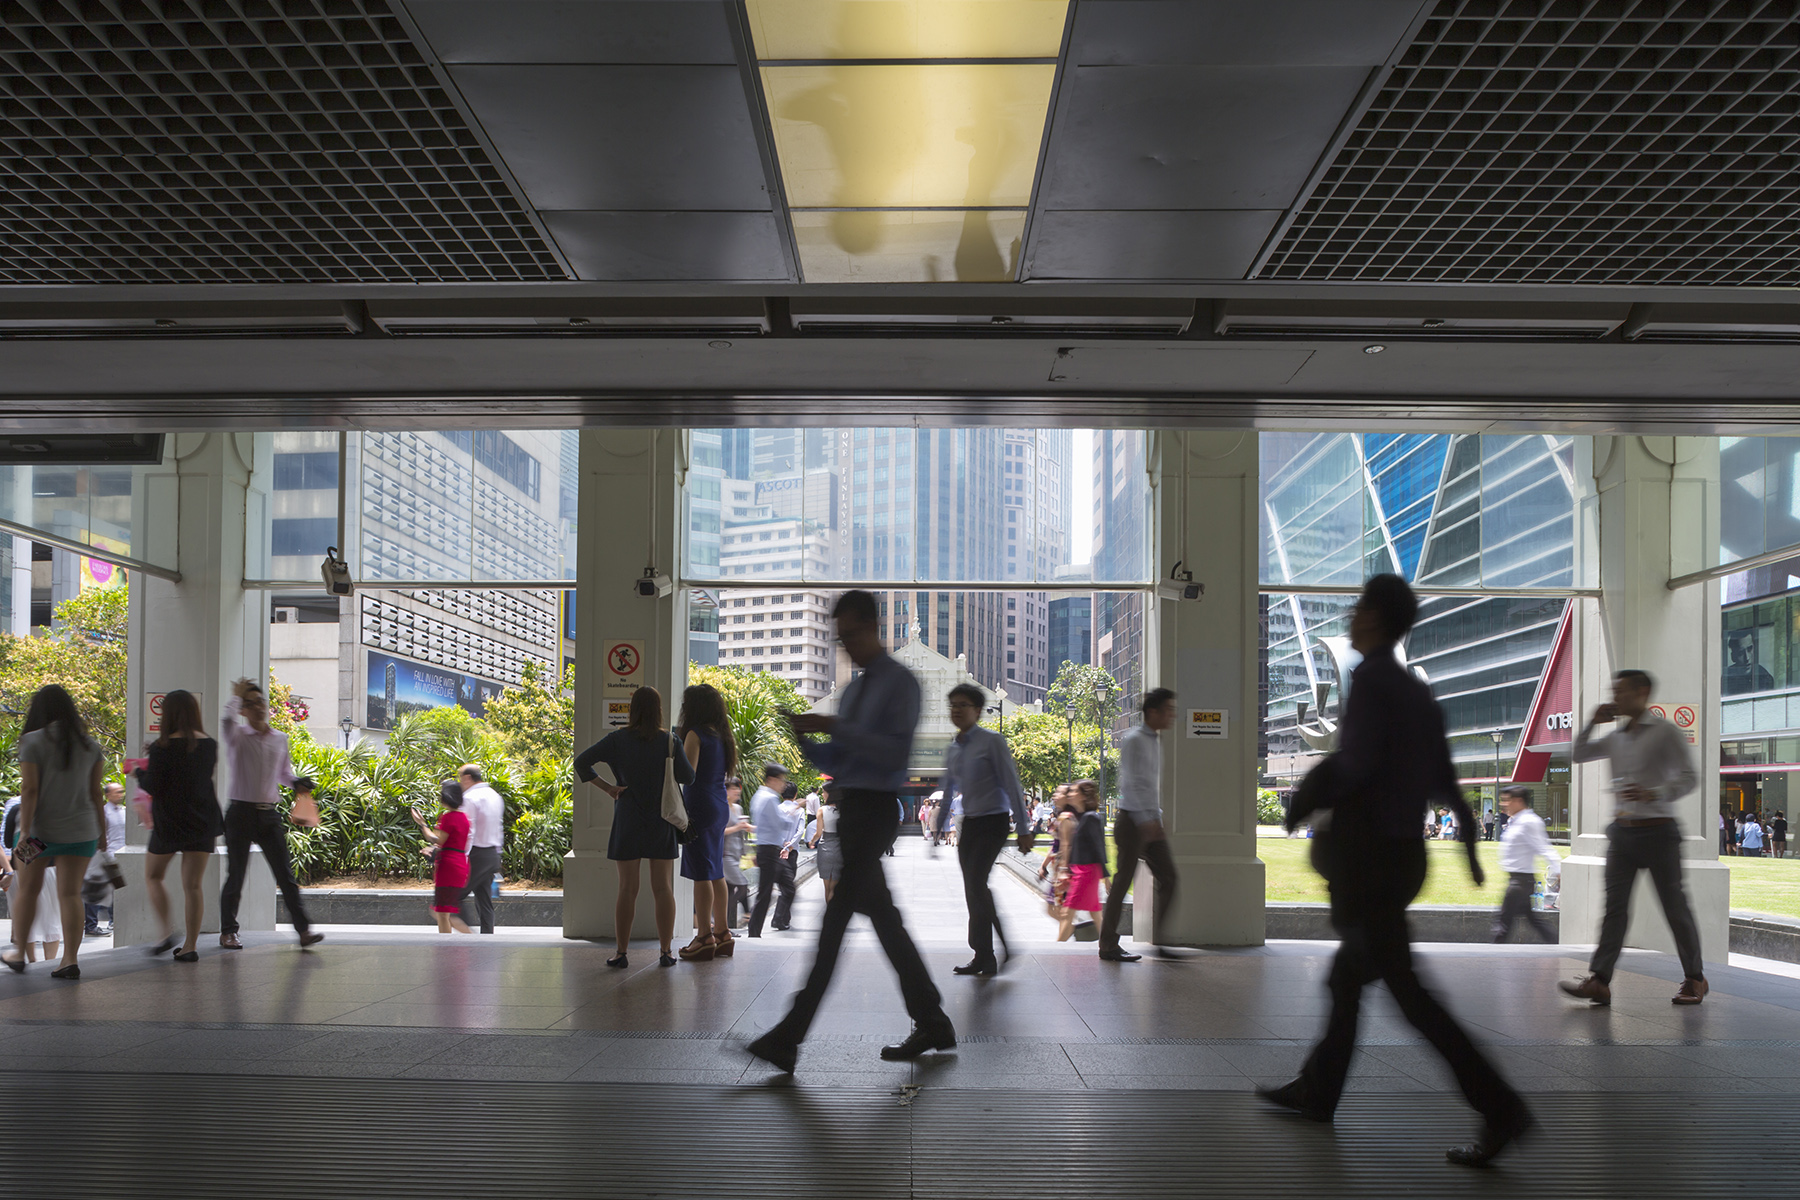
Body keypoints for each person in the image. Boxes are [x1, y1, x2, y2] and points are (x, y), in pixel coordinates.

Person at [1259, 574, 1532, 1167]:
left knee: (1410, 996)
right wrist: (1466, 844)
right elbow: (1445, 779)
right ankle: (1317, 1091)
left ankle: (1501, 1107)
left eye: (1359, 610)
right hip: (1404, 857)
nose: (1352, 618)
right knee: (1348, 978)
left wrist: (1303, 798)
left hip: (1370, 859)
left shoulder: (1373, 682)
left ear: (1376, 621)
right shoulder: (1416, 693)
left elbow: (1352, 766)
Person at [747, 590, 954, 1073]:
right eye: (840, 639)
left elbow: (889, 752)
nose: (847, 646)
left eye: (852, 635)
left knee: (836, 925)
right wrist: (808, 736)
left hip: (875, 810)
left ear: (872, 626)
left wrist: (833, 725)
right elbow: (840, 760)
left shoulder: (900, 684)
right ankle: (932, 1019)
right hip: (855, 808)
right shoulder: (859, 690)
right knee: (883, 924)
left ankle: (790, 1034)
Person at [1559, 668, 1708, 1007]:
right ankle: (1599, 981)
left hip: (1659, 833)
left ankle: (1695, 979)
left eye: (1622, 691)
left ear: (1642, 693)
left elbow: (1689, 777)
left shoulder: (1666, 732)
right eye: (1614, 691)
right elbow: (1578, 754)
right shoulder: (1616, 737)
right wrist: (1591, 722)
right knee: (1615, 910)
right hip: (1622, 835)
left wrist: (1653, 793)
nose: (1616, 697)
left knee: (1674, 909)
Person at [574, 685, 693, 969]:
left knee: (627, 889)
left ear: (632, 710)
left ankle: (621, 953)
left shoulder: (617, 740)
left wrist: (609, 789)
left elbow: (582, 763)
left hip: (628, 818)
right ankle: (666, 952)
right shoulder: (669, 741)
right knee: (663, 888)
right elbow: (687, 777)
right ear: (659, 710)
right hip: (661, 819)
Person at [2, 684, 107, 979]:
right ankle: (70, 960)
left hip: (39, 833)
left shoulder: (31, 741)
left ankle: (20, 953)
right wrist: (102, 833)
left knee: (28, 891)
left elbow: (30, 789)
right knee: (71, 894)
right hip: (82, 830)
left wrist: (24, 832)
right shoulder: (90, 744)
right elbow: (95, 792)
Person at [217, 679, 323, 950]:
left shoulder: (280, 738)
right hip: (239, 813)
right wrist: (235, 697)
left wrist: (297, 782)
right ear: (243, 709)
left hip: (268, 815)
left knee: (285, 875)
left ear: (266, 705)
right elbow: (226, 720)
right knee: (236, 875)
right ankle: (228, 931)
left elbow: (283, 774)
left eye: (260, 702)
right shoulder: (237, 734)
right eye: (249, 704)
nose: (257, 708)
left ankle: (303, 931)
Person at [939, 682, 1033, 976]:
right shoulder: (954, 748)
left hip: (994, 822)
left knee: (977, 883)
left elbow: (1012, 783)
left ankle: (1004, 943)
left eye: (963, 705)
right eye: (952, 705)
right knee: (972, 889)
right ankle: (983, 955)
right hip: (970, 824)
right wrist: (940, 824)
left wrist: (1024, 827)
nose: (956, 710)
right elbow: (947, 790)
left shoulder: (993, 741)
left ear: (978, 711)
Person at [136, 689, 226, 962]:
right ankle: (190, 945)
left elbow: (154, 785)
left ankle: (165, 933)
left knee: (153, 875)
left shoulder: (161, 747)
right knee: (193, 886)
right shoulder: (209, 744)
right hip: (201, 820)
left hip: (170, 822)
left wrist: (139, 771)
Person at [1099, 687, 1181, 962]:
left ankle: (1161, 941)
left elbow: (1149, 786)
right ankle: (1108, 945)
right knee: (1122, 883)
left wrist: (1156, 816)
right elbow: (1131, 782)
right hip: (1132, 822)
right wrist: (1146, 820)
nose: (1172, 715)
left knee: (1169, 877)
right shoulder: (1134, 739)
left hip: (1148, 821)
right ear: (1153, 712)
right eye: (1168, 710)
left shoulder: (1155, 741)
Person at [674, 683, 737, 962]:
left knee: (702, 872)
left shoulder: (695, 734)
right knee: (715, 870)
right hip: (719, 805)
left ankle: (703, 937)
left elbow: (686, 774)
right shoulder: (722, 736)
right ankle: (722, 933)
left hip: (699, 805)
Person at [1491, 785, 1559, 943]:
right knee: (1533, 919)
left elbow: (1544, 848)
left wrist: (1558, 870)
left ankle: (1492, 956)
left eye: (1507, 801)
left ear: (1519, 801)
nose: (1503, 804)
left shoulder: (1529, 822)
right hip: (1519, 880)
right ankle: (1554, 943)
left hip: (1520, 881)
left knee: (1502, 922)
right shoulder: (1517, 821)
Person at [412, 779, 472, 933]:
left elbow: (437, 839)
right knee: (443, 912)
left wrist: (422, 824)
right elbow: (452, 842)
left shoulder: (448, 817)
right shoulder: (464, 818)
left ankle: (469, 941)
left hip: (448, 868)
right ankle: (459, 943)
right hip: (460, 864)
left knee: (442, 913)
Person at [747, 764, 796, 937]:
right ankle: (754, 932)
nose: (783, 784)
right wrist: (794, 812)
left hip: (769, 850)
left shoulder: (760, 796)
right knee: (766, 893)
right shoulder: (768, 798)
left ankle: (774, 921)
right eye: (781, 780)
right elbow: (781, 823)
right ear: (772, 779)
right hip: (769, 851)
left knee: (786, 887)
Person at [454, 764, 504, 935]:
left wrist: (462, 856)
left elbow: (469, 830)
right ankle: (487, 937)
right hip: (491, 854)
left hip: (476, 854)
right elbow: (499, 827)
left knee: (454, 897)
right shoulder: (495, 796)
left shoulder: (469, 797)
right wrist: (497, 854)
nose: (460, 783)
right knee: (484, 901)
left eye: (461, 778)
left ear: (468, 778)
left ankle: (468, 933)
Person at [1063, 780, 1108, 940]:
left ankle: (1056, 949)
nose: (1070, 794)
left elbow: (1099, 847)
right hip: (1080, 870)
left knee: (1068, 913)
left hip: (1087, 871)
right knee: (1095, 913)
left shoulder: (1090, 817)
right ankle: (1108, 943)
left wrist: (1106, 877)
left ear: (1083, 796)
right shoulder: (1080, 816)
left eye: (1074, 791)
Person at [82, 782, 128, 935]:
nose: (120, 794)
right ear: (107, 795)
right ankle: (91, 925)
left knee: (117, 890)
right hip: (105, 856)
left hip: (121, 856)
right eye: (117, 792)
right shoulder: (103, 813)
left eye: (122, 791)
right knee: (96, 890)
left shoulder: (125, 811)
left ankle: (114, 922)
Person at [721, 779, 752, 929]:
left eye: (738, 788)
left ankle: (726, 927)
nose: (737, 791)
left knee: (729, 889)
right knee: (742, 885)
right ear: (725, 791)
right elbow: (719, 831)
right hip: (725, 854)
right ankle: (722, 920)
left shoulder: (738, 809)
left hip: (736, 853)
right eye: (733, 788)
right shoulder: (722, 808)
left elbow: (740, 831)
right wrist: (737, 827)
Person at [813, 791, 842, 903]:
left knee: (827, 887)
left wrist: (811, 841)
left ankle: (829, 912)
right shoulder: (843, 810)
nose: (823, 794)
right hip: (839, 848)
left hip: (825, 847)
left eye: (824, 792)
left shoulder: (821, 810)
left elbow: (818, 833)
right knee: (835, 886)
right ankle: (834, 913)